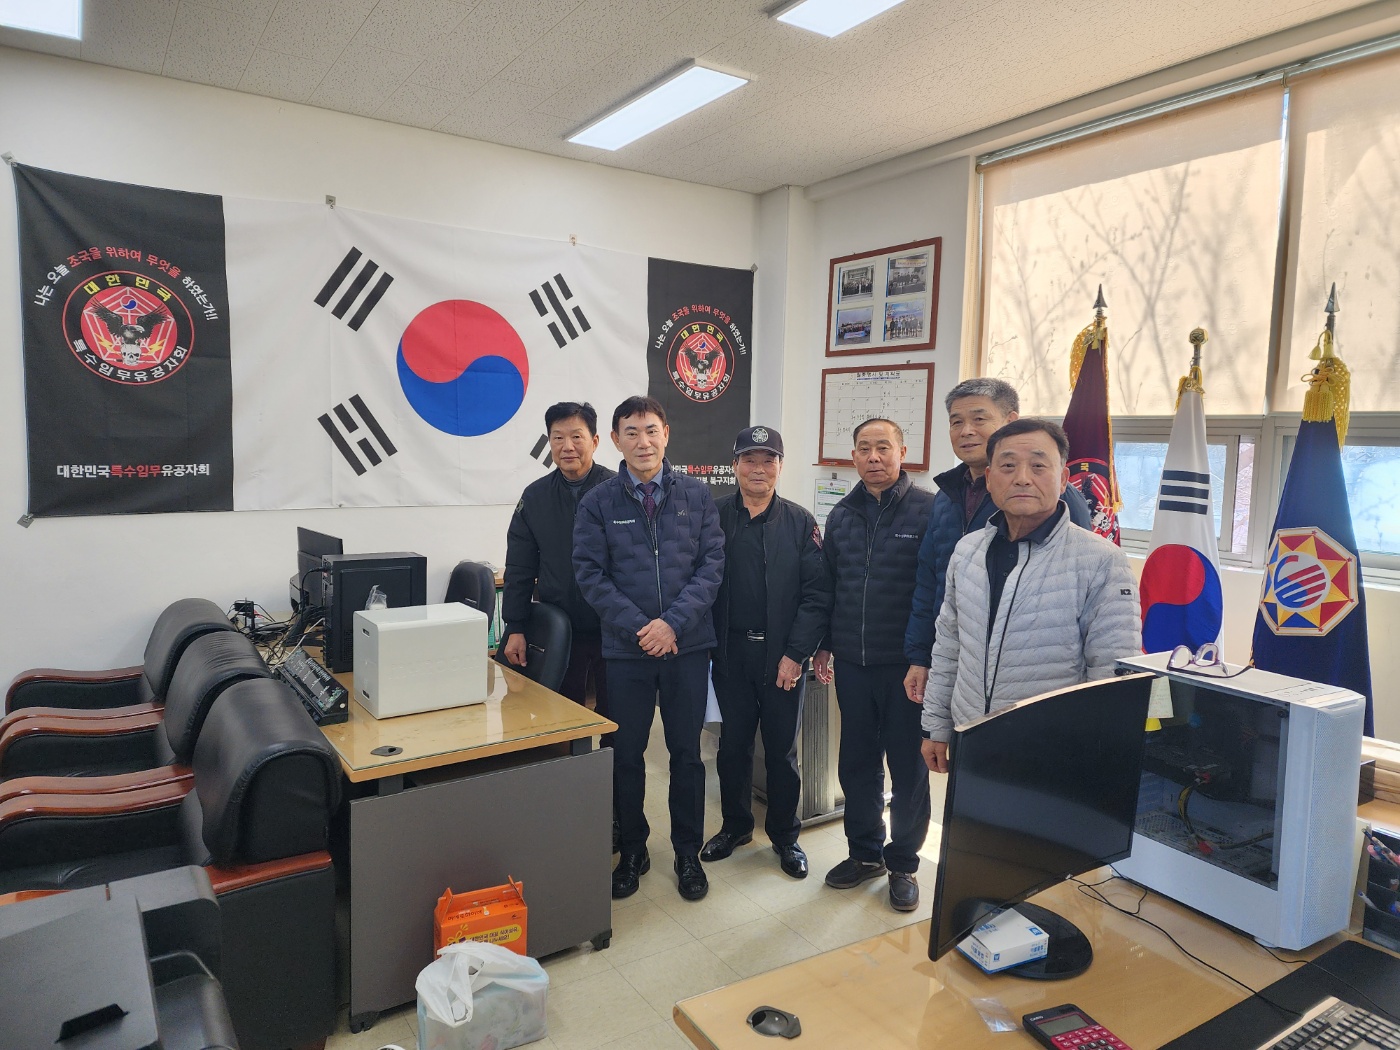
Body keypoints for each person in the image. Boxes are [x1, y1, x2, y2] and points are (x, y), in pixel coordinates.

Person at [921, 419, 1142, 773]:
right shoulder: (967, 551)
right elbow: (949, 645)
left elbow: (1111, 672)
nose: (1022, 478)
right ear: (989, 478)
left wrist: (1095, 753)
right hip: (971, 736)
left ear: (1063, 479)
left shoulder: (1100, 560)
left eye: (1038, 466)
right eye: (1008, 466)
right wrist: (935, 723)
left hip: (1051, 751)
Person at [574, 395, 725, 901]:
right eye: (632, 432)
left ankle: (687, 852)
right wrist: (644, 628)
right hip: (626, 651)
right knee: (626, 754)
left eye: (652, 430)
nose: (643, 441)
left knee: (686, 754)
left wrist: (672, 625)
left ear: (666, 435)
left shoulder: (697, 495)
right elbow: (590, 576)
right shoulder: (598, 502)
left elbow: (711, 568)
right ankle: (634, 850)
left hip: (687, 647)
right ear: (616, 440)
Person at [903, 378, 1091, 705]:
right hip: (955, 659)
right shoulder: (946, 497)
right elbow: (929, 580)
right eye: (956, 422)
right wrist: (920, 656)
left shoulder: (1049, 497)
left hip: (1027, 675)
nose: (966, 431)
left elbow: (1079, 590)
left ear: (1010, 422)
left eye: (979, 419)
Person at [813, 418, 936, 912]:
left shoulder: (929, 510)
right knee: (857, 765)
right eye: (864, 448)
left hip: (907, 668)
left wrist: (925, 658)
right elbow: (829, 586)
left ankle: (903, 863)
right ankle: (865, 854)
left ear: (902, 451)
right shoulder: (841, 515)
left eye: (883, 447)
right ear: (854, 456)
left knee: (908, 769)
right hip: (853, 664)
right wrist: (824, 644)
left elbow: (936, 592)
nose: (874, 457)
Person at [702, 426, 833, 879]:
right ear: (735, 465)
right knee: (733, 748)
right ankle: (736, 827)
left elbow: (816, 596)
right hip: (729, 654)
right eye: (750, 460)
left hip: (782, 658)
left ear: (780, 466)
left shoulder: (800, 522)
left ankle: (785, 836)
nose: (759, 469)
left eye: (768, 460)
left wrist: (796, 654)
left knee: (781, 752)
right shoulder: (713, 516)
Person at [501, 402, 615, 723]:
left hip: (614, 628)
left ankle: (614, 758)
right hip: (561, 630)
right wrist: (516, 626)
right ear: (549, 442)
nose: (568, 446)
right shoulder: (535, 497)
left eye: (577, 437)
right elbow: (520, 568)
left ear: (594, 441)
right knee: (561, 716)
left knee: (617, 715)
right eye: (558, 437)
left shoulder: (618, 492)